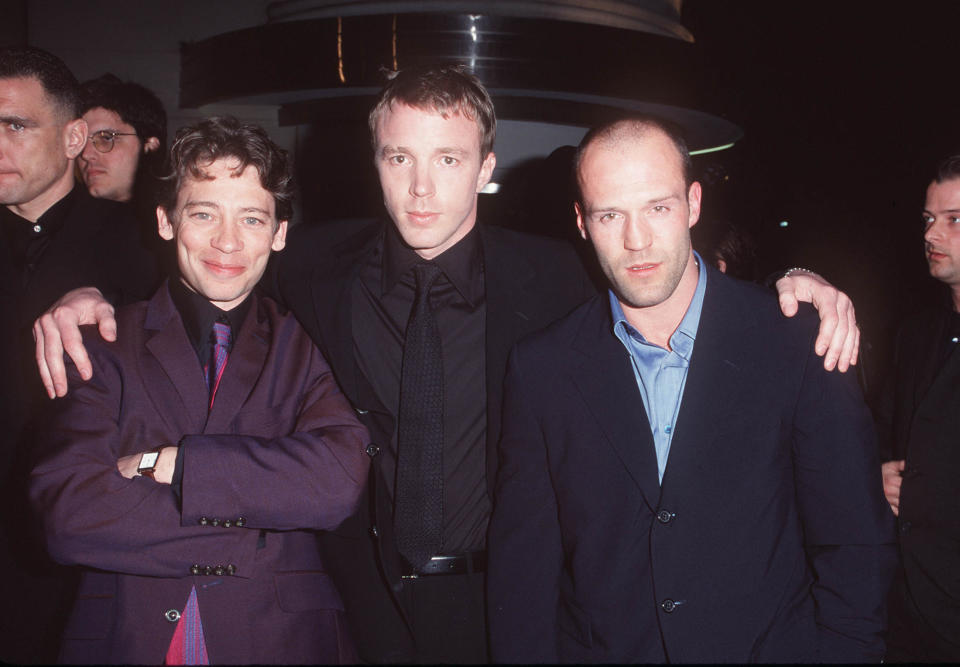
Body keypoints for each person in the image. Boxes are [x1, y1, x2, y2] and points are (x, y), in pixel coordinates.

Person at [33, 65, 862, 663]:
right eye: (400, 159)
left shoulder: (558, 270)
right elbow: (215, 254)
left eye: (450, 159)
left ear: (489, 171)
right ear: (376, 164)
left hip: (505, 600)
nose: (423, 188)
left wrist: (795, 287)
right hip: (361, 601)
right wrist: (86, 290)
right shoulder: (315, 264)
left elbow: (652, 266)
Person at [487, 117, 897, 663]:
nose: (637, 241)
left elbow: (854, 545)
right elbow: (524, 580)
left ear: (693, 205)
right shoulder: (541, 368)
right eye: (612, 214)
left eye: (658, 207)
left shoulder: (795, 342)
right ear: (582, 223)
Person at [29, 116, 369, 664]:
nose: (227, 241)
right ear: (166, 221)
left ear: (279, 233)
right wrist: (258, 531)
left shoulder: (309, 339)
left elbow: (339, 480)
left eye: (252, 218)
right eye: (204, 212)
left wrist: (174, 464)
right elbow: (69, 515)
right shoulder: (104, 341)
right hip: (129, 634)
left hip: (281, 641)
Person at [0, 46, 159, 664]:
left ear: (73, 138)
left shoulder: (142, 244)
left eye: (16, 125)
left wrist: (112, 302)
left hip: (87, 556)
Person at [878, 154, 960, 662]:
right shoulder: (917, 334)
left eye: (955, 220)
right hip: (904, 611)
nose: (932, 234)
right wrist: (880, 470)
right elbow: (886, 430)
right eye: (928, 219)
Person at [77, 73, 166, 205]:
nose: (86, 154)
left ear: (150, 145)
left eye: (105, 138)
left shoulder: (175, 219)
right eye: (81, 141)